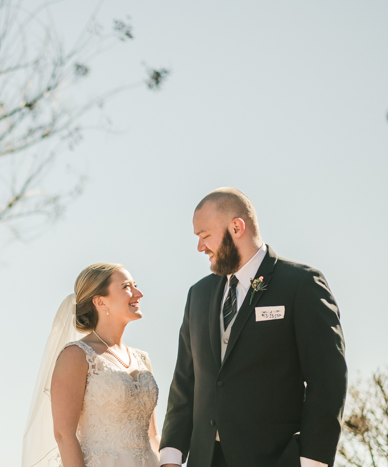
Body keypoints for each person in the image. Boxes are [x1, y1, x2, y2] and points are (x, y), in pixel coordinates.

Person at [160, 188, 347, 467]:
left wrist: (312, 462)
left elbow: (327, 381)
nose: (200, 247)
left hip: (276, 459)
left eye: (204, 236)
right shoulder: (198, 295)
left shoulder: (300, 285)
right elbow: (185, 384)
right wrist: (171, 457)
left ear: (236, 227)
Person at [22, 263, 160, 467]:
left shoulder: (142, 359)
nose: (138, 293)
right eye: (126, 287)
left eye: (135, 285)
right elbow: (63, 434)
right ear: (100, 302)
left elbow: (153, 435)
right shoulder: (77, 355)